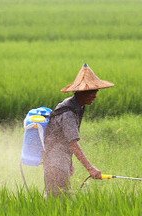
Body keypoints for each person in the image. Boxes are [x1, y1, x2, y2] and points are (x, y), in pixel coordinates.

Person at [43, 64, 113, 196]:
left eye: (96, 91)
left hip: (60, 159)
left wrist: (68, 162)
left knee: (59, 201)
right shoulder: (68, 112)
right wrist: (90, 169)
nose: (95, 96)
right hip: (55, 162)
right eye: (92, 92)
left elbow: (63, 139)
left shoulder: (78, 106)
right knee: (59, 201)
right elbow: (73, 143)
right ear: (82, 92)